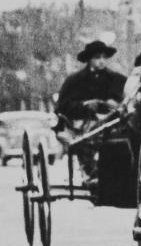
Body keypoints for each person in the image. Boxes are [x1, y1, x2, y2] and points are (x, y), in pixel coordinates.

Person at [54, 39, 128, 181]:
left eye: (104, 57)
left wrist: (113, 104)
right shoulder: (74, 80)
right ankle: (91, 172)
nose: (101, 61)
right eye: (97, 57)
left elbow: (125, 96)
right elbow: (63, 106)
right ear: (89, 59)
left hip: (111, 122)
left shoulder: (116, 79)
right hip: (82, 124)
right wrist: (84, 105)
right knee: (83, 141)